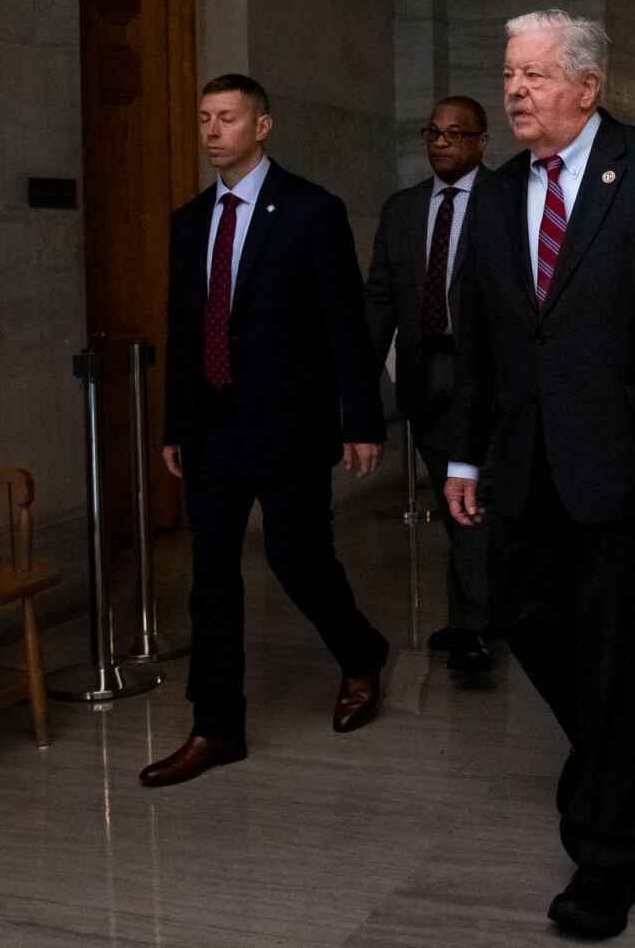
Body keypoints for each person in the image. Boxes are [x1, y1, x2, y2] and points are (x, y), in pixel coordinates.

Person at [442, 10, 635, 940]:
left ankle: (606, 857)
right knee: (517, 616)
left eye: (534, 75)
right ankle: (605, 755)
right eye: (508, 74)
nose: (515, 90)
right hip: (523, 465)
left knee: (619, 659)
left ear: (586, 86)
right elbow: (479, 336)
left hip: (630, 463)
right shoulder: (496, 195)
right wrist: (463, 453)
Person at [142, 74, 388, 788]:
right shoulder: (190, 221)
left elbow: (344, 323)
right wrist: (174, 424)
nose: (212, 130)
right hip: (212, 431)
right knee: (210, 578)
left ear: (262, 127)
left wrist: (361, 420)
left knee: (297, 558)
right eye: (204, 118)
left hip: (289, 428)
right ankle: (216, 726)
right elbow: (183, 329)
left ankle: (361, 650)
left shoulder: (311, 211)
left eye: (227, 118)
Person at [365, 96, 494, 672]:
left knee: (480, 498)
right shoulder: (401, 211)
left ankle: (477, 625)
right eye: (432, 133)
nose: (441, 142)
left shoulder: (507, 200)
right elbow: (379, 302)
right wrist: (362, 390)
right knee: (455, 500)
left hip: (489, 377)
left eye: (454, 134)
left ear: (481, 141)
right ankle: (473, 617)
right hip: (426, 372)